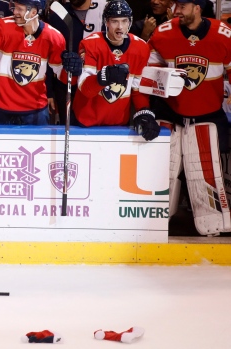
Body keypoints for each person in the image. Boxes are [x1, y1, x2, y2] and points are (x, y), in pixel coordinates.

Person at [148, 0, 231, 236]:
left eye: (183, 6)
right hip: (169, 115)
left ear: (198, 7)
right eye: (176, 5)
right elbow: (148, 71)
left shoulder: (224, 34)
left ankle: (214, 222)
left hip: (208, 116)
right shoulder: (163, 32)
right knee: (162, 170)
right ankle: (154, 220)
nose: (176, 11)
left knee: (205, 170)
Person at [72, 0, 159, 143]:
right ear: (106, 22)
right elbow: (85, 89)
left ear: (130, 22)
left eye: (124, 21)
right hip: (86, 122)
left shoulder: (141, 48)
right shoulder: (90, 44)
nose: (120, 27)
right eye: (114, 21)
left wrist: (144, 112)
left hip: (118, 123)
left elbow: (137, 90)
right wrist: (104, 76)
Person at [47, 0, 108, 125]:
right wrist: (48, 91)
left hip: (95, 84)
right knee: (68, 127)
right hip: (66, 84)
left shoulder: (104, 12)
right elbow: (48, 54)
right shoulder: (57, 16)